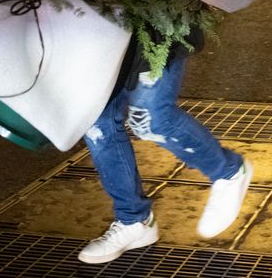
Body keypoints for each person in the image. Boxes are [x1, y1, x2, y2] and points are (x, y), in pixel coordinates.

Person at [78, 32, 253, 264]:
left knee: (151, 120)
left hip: (155, 24)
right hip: (96, 29)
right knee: (97, 124)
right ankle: (134, 221)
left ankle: (228, 171)